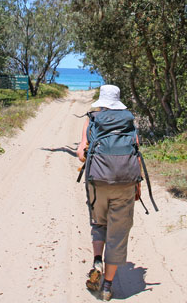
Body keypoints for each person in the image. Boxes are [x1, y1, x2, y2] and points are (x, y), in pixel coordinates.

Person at [77, 85, 141, 301]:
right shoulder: (128, 121)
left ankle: (97, 260)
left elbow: (80, 153)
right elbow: (137, 152)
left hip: (98, 182)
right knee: (118, 232)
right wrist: (137, 185)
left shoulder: (93, 119)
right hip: (125, 183)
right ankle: (107, 287)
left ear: (101, 100)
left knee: (99, 222)